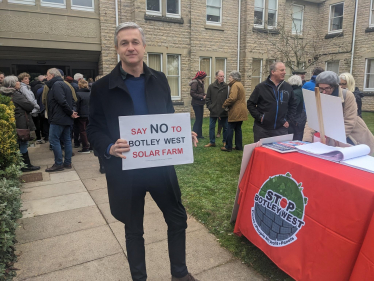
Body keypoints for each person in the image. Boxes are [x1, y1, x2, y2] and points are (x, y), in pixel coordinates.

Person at [86, 22, 199, 281]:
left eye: (135, 42)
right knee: (133, 228)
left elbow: (167, 117)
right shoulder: (102, 87)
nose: (130, 47)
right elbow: (93, 129)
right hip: (126, 170)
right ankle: (139, 278)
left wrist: (181, 134)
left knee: (177, 219)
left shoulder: (159, 79)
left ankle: (180, 274)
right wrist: (108, 147)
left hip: (160, 167)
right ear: (117, 49)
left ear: (144, 46)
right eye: (124, 43)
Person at [303, 71, 374, 154]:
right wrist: (307, 141)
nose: (324, 92)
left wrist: (334, 143)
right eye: (321, 88)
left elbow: (349, 121)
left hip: (352, 137)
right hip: (331, 137)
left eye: (327, 88)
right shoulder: (318, 95)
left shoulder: (347, 95)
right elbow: (312, 120)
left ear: (335, 87)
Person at [247, 61, 297, 142]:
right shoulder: (261, 87)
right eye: (281, 70)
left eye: (284, 70)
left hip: (281, 129)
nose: (284, 72)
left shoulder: (288, 88)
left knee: (278, 154)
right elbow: (250, 104)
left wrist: (289, 120)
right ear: (273, 72)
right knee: (262, 153)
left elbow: (293, 105)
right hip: (262, 129)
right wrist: (260, 117)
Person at [0, 76, 40, 172]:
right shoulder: (15, 94)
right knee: (23, 142)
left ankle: (18, 164)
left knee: (16, 144)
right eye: (17, 81)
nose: (19, 82)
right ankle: (26, 165)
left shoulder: (3, 94)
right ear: (12, 84)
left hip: (11, 122)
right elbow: (29, 106)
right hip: (20, 122)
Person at [44, 68, 79, 172]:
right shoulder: (65, 84)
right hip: (66, 118)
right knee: (67, 140)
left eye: (47, 75)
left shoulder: (56, 85)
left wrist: (71, 112)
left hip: (58, 118)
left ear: (52, 75)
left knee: (54, 140)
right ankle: (67, 163)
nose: (46, 77)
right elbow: (72, 101)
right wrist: (72, 112)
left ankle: (58, 163)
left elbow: (62, 101)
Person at [221, 71, 248, 152]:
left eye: (229, 77)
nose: (228, 78)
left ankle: (228, 146)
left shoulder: (235, 85)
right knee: (238, 129)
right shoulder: (240, 84)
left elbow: (232, 98)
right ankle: (239, 146)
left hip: (236, 110)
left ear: (233, 77)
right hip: (242, 110)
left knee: (230, 128)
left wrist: (224, 104)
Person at [205, 70, 228, 147]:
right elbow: (207, 98)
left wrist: (226, 108)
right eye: (220, 76)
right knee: (211, 126)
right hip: (213, 110)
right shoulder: (211, 86)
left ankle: (225, 141)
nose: (222, 78)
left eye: (223, 76)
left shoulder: (226, 87)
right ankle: (212, 142)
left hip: (223, 111)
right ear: (216, 77)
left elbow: (228, 98)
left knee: (225, 127)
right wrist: (210, 107)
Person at [18, 72, 42, 143]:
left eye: (28, 78)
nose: (27, 80)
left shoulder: (26, 87)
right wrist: (38, 106)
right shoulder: (24, 88)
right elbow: (30, 99)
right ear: (21, 80)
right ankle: (38, 138)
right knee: (36, 123)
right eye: (25, 79)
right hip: (33, 108)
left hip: (31, 108)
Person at [287, 75, 306, 141]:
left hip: (295, 119)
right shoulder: (300, 91)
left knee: (294, 137)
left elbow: (294, 106)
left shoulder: (295, 93)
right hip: (300, 117)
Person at [189, 71, 207, 139]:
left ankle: (199, 135)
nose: (205, 78)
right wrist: (202, 97)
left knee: (200, 119)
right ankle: (194, 134)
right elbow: (192, 93)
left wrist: (204, 95)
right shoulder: (195, 83)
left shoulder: (201, 82)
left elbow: (200, 92)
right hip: (196, 104)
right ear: (201, 77)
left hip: (200, 103)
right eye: (204, 76)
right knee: (198, 119)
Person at [76, 79, 91, 153]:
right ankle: (92, 146)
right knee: (89, 130)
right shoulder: (91, 93)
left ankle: (85, 147)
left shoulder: (78, 94)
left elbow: (77, 105)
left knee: (82, 131)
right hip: (90, 114)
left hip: (82, 114)